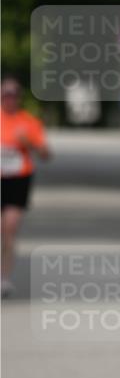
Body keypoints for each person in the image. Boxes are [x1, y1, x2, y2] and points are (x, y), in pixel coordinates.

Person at [1, 76, 51, 298]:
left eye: (13, 94)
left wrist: (27, 143)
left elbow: (46, 154)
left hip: (18, 179)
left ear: (19, 97)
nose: (9, 99)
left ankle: (4, 278)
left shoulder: (29, 122)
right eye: (5, 94)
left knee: (9, 228)